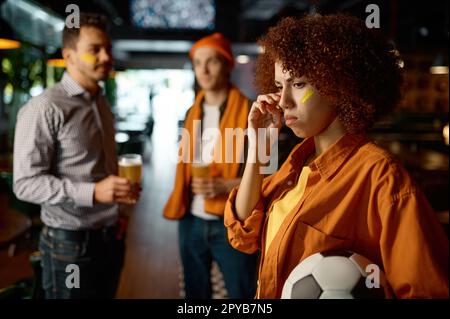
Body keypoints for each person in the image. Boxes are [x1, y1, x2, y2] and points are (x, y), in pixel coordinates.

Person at [224, 14, 449, 298]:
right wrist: (256, 150)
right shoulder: (298, 163)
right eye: (280, 86)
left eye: (299, 84)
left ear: (337, 86)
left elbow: (427, 290)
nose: (283, 102)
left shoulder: (381, 178)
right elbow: (243, 234)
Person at [13, 13, 139, 299]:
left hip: (110, 236)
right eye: (95, 50)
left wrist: (117, 206)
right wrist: (94, 192)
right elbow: (24, 184)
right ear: (69, 56)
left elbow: (99, 167)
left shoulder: (101, 102)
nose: (106, 56)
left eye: (107, 48)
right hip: (68, 245)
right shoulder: (44, 107)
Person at [163, 33, 257, 298]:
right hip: (190, 221)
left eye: (212, 62)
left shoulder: (252, 113)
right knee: (195, 294)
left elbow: (270, 175)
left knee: (242, 293)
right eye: (197, 63)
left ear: (228, 65)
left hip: (232, 223)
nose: (203, 70)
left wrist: (225, 185)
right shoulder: (190, 114)